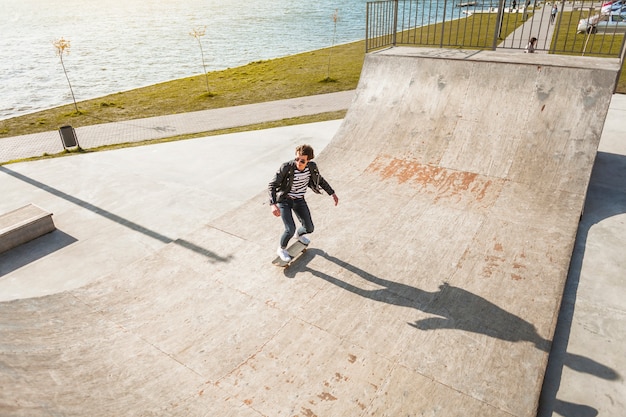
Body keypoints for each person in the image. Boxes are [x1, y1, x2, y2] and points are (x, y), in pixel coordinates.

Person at [268, 144, 339, 262]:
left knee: (309, 228)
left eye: (302, 161)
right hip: (285, 200)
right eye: (296, 159)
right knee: (289, 228)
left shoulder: (312, 167)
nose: (298, 163)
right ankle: (281, 249)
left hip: (299, 200)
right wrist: (273, 204)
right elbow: (272, 184)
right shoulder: (286, 167)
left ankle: (298, 235)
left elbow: (320, 180)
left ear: (308, 160)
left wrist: (332, 193)